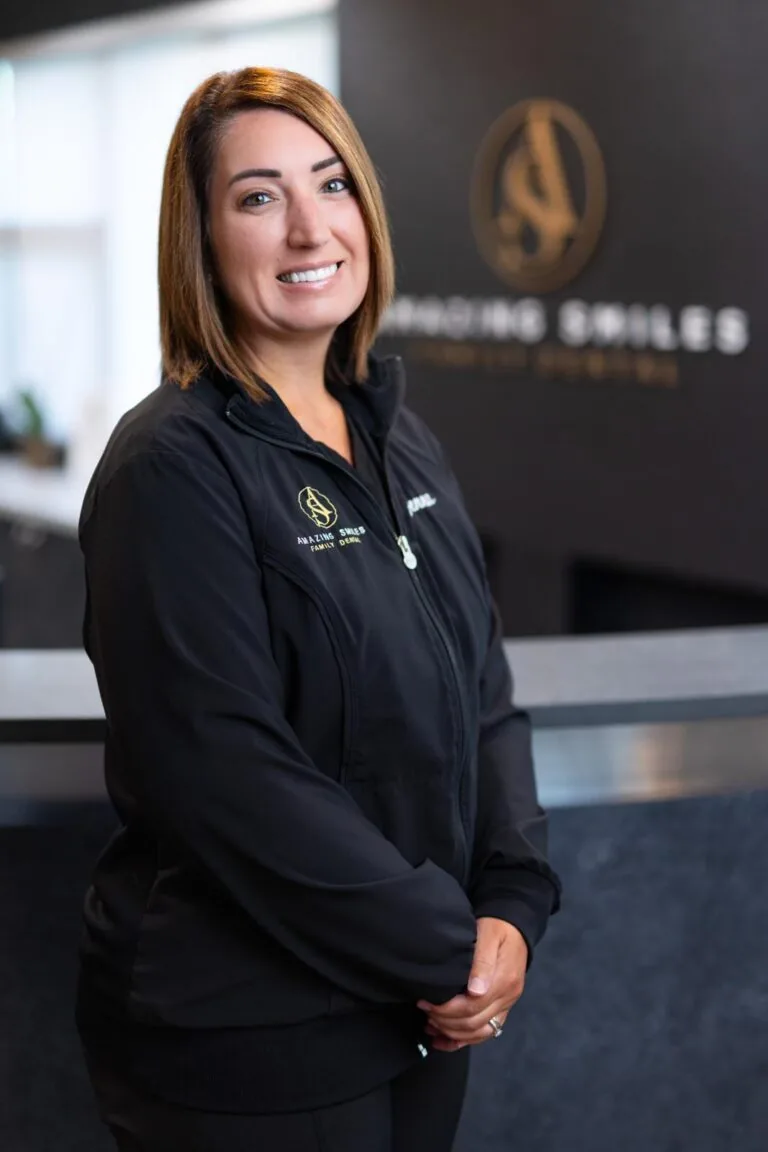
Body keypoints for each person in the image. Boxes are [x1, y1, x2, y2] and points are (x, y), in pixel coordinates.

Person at [75, 66, 562, 1152]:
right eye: (257, 197)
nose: (307, 228)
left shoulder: (398, 438)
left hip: (415, 1018)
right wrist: (448, 947)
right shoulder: (173, 467)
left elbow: (481, 696)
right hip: (251, 1040)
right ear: (200, 237)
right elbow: (225, 775)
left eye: (330, 184)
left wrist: (513, 908)